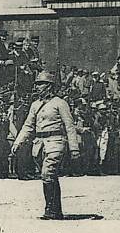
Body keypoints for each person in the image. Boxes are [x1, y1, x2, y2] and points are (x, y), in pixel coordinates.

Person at [11, 72, 80, 220]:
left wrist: (74, 148)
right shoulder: (35, 105)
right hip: (39, 145)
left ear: (49, 86)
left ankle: (50, 209)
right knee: (50, 177)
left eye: (40, 84)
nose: (37, 87)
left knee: (47, 174)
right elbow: (28, 125)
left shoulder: (60, 103)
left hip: (56, 142)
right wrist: (18, 142)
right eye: (36, 84)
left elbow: (69, 126)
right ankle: (56, 210)